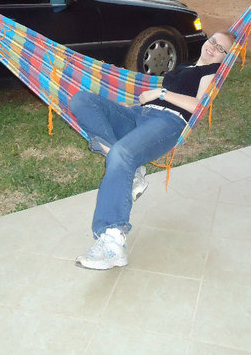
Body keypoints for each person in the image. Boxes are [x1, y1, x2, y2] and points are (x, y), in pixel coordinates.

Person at [69, 31, 236, 270]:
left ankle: (113, 242)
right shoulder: (187, 65)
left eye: (221, 48)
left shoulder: (211, 73)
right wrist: (131, 107)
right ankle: (130, 169)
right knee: (82, 101)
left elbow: (199, 106)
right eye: (213, 41)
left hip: (168, 123)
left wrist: (161, 93)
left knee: (122, 155)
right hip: (141, 114)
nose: (213, 47)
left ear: (225, 58)